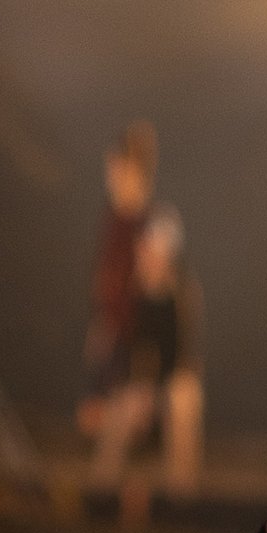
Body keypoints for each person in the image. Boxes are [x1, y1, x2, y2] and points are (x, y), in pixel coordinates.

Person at [83, 206, 205, 513]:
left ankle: (182, 502)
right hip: (134, 383)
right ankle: (99, 499)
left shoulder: (181, 295)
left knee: (184, 398)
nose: (151, 258)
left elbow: (184, 355)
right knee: (120, 411)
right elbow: (111, 351)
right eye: (148, 248)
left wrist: (158, 389)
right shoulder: (127, 295)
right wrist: (99, 394)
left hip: (169, 381)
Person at [76, 122, 157, 443]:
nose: (110, 178)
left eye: (116, 169)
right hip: (113, 333)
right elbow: (106, 281)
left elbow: (149, 293)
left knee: (124, 423)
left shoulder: (149, 223)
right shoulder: (113, 220)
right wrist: (101, 324)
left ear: (132, 171)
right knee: (94, 421)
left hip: (132, 340)